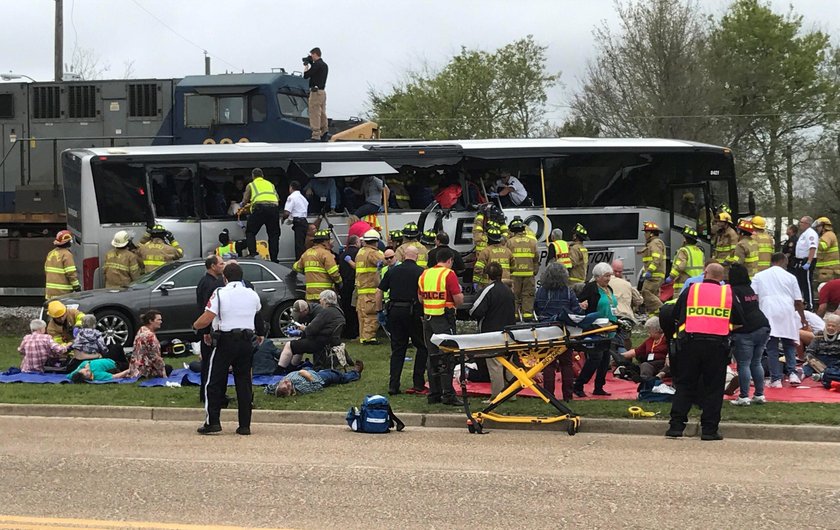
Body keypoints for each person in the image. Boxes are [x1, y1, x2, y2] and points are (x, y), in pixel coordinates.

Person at [666, 263, 743, 440]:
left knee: (685, 384)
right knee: (714, 388)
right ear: (722, 277)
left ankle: (676, 427)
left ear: (705, 273)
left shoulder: (691, 290)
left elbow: (675, 314)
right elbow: (739, 319)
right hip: (717, 346)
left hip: (690, 344)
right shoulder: (727, 293)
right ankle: (709, 430)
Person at [192, 263, 261, 436]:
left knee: (214, 381)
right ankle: (244, 425)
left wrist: (196, 326)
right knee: (244, 382)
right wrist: (260, 334)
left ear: (225, 278)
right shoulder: (252, 293)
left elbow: (207, 318)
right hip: (246, 342)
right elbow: (258, 316)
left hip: (225, 341)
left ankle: (212, 422)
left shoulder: (220, 293)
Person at [751, 253, 808, 387]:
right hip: (787, 311)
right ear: (782, 261)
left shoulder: (759, 276)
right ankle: (793, 373)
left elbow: (754, 295)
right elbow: (798, 301)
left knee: (772, 348)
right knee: (789, 344)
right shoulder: (791, 277)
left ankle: (776, 379)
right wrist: (803, 318)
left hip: (768, 311)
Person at [378, 246, 428, 395]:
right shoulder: (421, 273)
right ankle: (418, 383)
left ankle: (393, 385)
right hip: (413, 312)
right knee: (421, 346)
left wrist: (379, 311)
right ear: (417, 257)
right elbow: (423, 295)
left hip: (395, 312)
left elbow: (379, 291)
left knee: (398, 349)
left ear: (403, 256)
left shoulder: (392, 271)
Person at [534, 263, 588, 401]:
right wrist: (583, 307)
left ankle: (548, 396)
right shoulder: (568, 291)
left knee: (548, 364)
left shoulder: (540, 291)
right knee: (566, 364)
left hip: (545, 330)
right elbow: (576, 312)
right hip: (563, 331)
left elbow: (537, 309)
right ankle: (568, 396)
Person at [419, 247, 464, 406]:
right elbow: (458, 300)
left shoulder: (425, 274)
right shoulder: (448, 274)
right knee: (448, 356)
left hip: (428, 318)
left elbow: (420, 298)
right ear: (450, 260)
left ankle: (434, 393)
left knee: (432, 356)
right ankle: (448, 394)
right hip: (444, 319)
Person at [469, 262, 516, 400]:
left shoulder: (488, 290)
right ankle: (511, 394)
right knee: (509, 364)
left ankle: (497, 396)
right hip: (509, 332)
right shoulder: (509, 291)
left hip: (492, 333)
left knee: (495, 364)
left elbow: (475, 310)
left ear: (487, 275)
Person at [726, 263, 771, 406]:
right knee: (756, 362)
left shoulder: (733, 291)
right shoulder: (749, 289)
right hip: (763, 325)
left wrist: (735, 325)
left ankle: (744, 396)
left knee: (744, 364)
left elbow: (736, 309)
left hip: (746, 330)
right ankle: (759, 394)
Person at [573, 262, 619, 398]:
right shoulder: (591, 288)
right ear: (597, 277)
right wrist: (583, 306)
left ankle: (599, 386)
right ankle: (579, 385)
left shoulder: (609, 288)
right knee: (595, 358)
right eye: (606, 276)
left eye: (610, 275)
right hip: (595, 329)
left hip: (609, 328)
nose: (608, 278)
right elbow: (579, 305)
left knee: (605, 359)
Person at [277, 290, 345, 371]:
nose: (320, 301)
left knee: (289, 345)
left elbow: (310, 330)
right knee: (300, 342)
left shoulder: (325, 312)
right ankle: (292, 367)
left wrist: (303, 329)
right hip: (330, 342)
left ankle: (280, 370)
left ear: (325, 300)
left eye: (321, 299)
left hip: (320, 343)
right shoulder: (338, 311)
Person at [196, 255, 225, 402]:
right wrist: (206, 332)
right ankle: (208, 395)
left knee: (210, 364)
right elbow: (206, 310)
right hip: (209, 331)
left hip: (208, 330)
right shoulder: (210, 284)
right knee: (210, 365)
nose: (223, 265)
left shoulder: (208, 281)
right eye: (221, 263)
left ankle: (210, 394)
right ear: (213, 266)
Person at [241, 168, 280, 262]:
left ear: (253, 176)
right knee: (274, 235)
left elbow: (245, 200)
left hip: (260, 209)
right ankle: (274, 259)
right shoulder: (270, 184)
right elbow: (277, 198)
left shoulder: (251, 185)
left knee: (250, 232)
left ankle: (253, 254)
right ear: (263, 176)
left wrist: (243, 206)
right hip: (274, 209)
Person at [266, 361, 364, 397]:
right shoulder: (301, 388)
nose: (286, 381)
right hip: (320, 378)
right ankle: (355, 373)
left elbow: (267, 389)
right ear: (291, 391)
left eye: (283, 382)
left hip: (309, 370)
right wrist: (306, 375)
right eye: (287, 385)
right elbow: (318, 386)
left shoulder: (276, 387)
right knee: (339, 376)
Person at [293, 229, 341, 301]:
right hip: (324, 295)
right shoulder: (326, 254)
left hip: (310, 296)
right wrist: (340, 282)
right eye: (329, 240)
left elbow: (296, 267)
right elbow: (334, 273)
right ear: (324, 242)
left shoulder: (307, 253)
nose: (330, 242)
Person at [506, 219, 540, 320]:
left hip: (515, 274)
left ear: (513, 230)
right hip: (529, 274)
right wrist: (535, 270)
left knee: (514, 296)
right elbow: (536, 258)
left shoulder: (510, 242)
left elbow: (507, 258)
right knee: (528, 295)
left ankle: (515, 316)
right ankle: (528, 316)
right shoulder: (532, 242)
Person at [356, 230, 384, 344]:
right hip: (371, 289)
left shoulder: (360, 252)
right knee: (371, 315)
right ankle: (368, 338)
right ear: (376, 242)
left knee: (362, 316)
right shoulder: (373, 253)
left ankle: (363, 337)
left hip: (361, 290)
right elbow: (386, 261)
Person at [619, 316, 668, 383]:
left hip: (663, 363)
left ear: (656, 330)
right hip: (651, 363)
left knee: (645, 365)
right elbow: (636, 351)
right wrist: (619, 355)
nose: (648, 332)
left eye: (649, 329)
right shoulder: (650, 340)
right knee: (634, 366)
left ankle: (645, 380)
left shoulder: (666, 338)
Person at [128, 310, 169, 379]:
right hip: (144, 371)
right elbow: (155, 358)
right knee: (168, 368)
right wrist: (164, 375)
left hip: (134, 368)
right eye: (158, 320)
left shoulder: (141, 330)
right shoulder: (150, 336)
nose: (161, 322)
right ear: (151, 321)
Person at [666, 225, 704, 298]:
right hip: (698, 283)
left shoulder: (684, 250)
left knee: (679, 304)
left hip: (684, 283)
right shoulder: (699, 251)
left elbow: (680, 266)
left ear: (685, 239)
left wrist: (671, 277)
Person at [44, 229, 81, 299]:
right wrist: (76, 287)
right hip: (62, 293)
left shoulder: (50, 253)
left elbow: (46, 270)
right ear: (68, 242)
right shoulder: (67, 254)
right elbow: (71, 273)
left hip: (50, 292)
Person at [303, 47, 329, 141]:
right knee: (322, 113)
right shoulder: (325, 65)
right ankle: (324, 131)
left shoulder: (317, 65)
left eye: (311, 55)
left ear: (315, 54)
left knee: (314, 113)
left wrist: (306, 65)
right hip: (322, 92)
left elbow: (306, 75)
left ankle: (316, 135)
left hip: (315, 92)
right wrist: (311, 63)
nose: (311, 57)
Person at [640, 221, 666, 313]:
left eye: (646, 232)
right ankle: (655, 317)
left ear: (651, 234)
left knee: (645, 292)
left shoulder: (655, 243)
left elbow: (657, 258)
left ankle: (664, 311)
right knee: (653, 296)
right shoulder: (652, 243)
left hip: (654, 275)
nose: (644, 235)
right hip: (653, 275)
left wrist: (650, 271)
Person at [794, 215, 819, 310]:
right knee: (801, 282)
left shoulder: (811, 234)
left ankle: (810, 304)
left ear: (807, 224)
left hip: (807, 260)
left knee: (807, 283)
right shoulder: (804, 233)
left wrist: (809, 261)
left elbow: (812, 247)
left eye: (802, 222)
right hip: (800, 260)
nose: (800, 224)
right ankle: (804, 301)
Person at [338, 234, 360, 338]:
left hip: (344, 284)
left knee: (346, 309)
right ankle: (355, 332)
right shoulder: (358, 253)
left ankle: (346, 331)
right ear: (356, 243)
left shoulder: (343, 254)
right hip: (355, 284)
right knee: (355, 308)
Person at [804, 313, 840, 378]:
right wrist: (812, 360)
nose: (830, 328)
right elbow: (810, 350)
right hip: (819, 360)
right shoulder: (820, 334)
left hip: (835, 360)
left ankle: (823, 375)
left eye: (833, 326)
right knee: (807, 367)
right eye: (828, 325)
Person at [283, 180, 310, 260]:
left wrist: (283, 218)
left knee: (299, 246)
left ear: (291, 187)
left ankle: (300, 263)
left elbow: (287, 212)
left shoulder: (292, 197)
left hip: (298, 222)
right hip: (304, 221)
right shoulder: (303, 198)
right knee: (302, 244)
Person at [813, 217, 840, 285]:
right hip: (826, 269)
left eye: (818, 226)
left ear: (824, 226)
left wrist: (814, 240)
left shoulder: (828, 235)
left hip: (829, 270)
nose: (817, 228)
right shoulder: (826, 235)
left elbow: (823, 246)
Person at [711, 212, 738, 276]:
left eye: (720, 221)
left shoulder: (732, 234)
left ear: (726, 222)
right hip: (717, 264)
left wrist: (727, 262)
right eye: (717, 221)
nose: (718, 223)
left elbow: (734, 251)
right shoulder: (719, 233)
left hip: (726, 266)